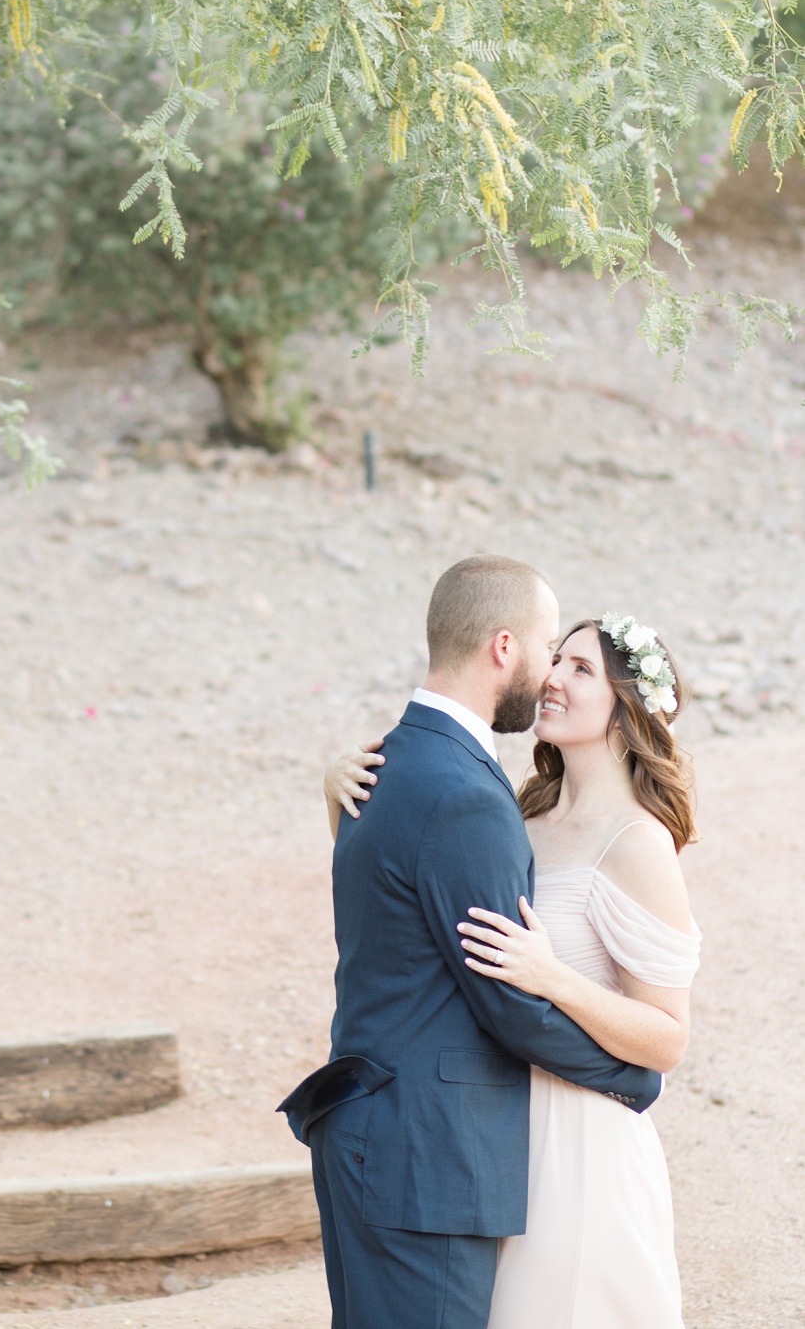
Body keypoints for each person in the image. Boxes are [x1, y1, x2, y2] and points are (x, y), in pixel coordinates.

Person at [279, 555, 664, 1329]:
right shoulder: (462, 794)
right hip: (425, 1153)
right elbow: (509, 1005)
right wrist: (630, 1079)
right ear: (502, 647)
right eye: (547, 645)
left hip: (379, 1131)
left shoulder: (390, 762)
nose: (549, 670)